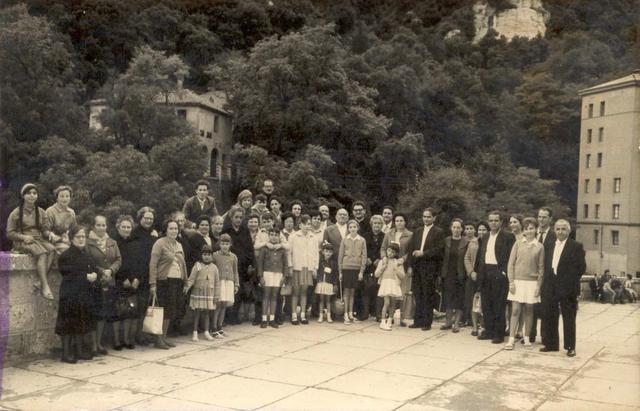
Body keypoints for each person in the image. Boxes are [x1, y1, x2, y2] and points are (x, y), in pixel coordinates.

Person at [540, 219, 586, 357]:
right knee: (549, 315)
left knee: (569, 317)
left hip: (567, 287)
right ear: (555, 230)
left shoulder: (576, 246)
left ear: (568, 231)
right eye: (558, 229)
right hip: (550, 285)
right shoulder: (549, 244)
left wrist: (568, 282)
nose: (560, 232)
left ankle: (570, 346)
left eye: (563, 229)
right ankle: (551, 344)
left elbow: (581, 268)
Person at [55, 224, 98, 363]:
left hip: (83, 294)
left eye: (83, 236)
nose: (81, 239)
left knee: (81, 322)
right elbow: (67, 273)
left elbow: (93, 267)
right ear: (71, 238)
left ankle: (79, 351)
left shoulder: (85, 253)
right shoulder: (66, 255)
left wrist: (95, 274)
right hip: (70, 294)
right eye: (78, 237)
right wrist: (85, 276)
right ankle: (66, 354)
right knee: (67, 324)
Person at [7, 183, 56, 300]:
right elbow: (9, 233)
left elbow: (45, 230)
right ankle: (45, 286)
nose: (32, 196)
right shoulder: (16, 213)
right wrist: (23, 237)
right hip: (23, 241)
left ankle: (40, 281)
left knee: (53, 250)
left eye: (34, 193)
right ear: (23, 196)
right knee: (42, 254)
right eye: (29, 193)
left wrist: (50, 234)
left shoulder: (41, 212)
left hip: (38, 239)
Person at [476, 211, 516, 344]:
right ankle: (489, 331)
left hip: (499, 273)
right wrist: (479, 272)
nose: (493, 223)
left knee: (499, 305)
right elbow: (481, 255)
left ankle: (499, 334)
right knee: (487, 304)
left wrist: (504, 272)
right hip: (486, 272)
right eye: (491, 220)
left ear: (501, 222)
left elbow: (512, 256)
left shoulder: (508, 236)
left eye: (496, 220)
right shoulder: (485, 236)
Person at [505, 217, 544, 350]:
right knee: (515, 310)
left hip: (532, 283)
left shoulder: (539, 247)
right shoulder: (517, 244)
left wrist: (538, 286)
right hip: (517, 281)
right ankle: (511, 339)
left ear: (536, 229)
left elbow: (541, 268)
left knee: (529, 310)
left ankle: (527, 337)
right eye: (526, 228)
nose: (529, 231)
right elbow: (510, 264)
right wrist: (511, 282)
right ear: (524, 230)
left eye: (531, 228)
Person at [149, 219, 188, 349]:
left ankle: (164, 337)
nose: (174, 231)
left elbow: (183, 265)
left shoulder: (179, 245)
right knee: (162, 310)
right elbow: (153, 264)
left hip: (176, 281)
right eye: (171, 228)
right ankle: (158, 339)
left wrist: (186, 281)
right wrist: (153, 283)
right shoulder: (159, 243)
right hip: (164, 281)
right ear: (166, 230)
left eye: (176, 228)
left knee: (170, 311)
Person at [86, 215, 122, 356]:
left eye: (104, 225)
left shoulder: (112, 242)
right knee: (94, 314)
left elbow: (118, 259)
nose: (101, 228)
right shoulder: (88, 243)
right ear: (93, 227)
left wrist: (111, 270)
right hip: (95, 282)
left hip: (109, 281)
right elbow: (89, 261)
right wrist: (102, 271)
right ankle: (92, 345)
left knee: (103, 314)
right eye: (98, 225)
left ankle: (99, 343)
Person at [407, 208, 444, 331]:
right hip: (417, 266)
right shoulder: (417, 231)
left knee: (428, 294)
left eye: (428, 217)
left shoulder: (438, 232)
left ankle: (427, 322)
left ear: (434, 218)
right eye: (424, 216)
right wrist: (410, 266)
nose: (426, 219)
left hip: (430, 267)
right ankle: (418, 320)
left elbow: (439, 250)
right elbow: (411, 249)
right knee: (418, 294)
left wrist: (423, 253)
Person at [129, 206, 158, 345]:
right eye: (146, 218)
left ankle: (145, 333)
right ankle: (137, 336)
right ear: (140, 218)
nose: (148, 220)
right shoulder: (134, 234)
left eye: (151, 219)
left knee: (147, 306)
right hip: (138, 275)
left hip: (150, 274)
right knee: (139, 307)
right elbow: (134, 257)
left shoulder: (152, 234)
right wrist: (136, 277)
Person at [222, 206, 256, 324]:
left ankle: (234, 316)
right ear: (231, 217)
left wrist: (251, 264)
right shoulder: (226, 230)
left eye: (241, 217)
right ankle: (226, 317)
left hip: (242, 266)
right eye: (236, 217)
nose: (238, 219)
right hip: (228, 265)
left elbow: (250, 249)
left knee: (239, 291)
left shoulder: (245, 231)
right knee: (227, 290)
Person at [380, 213, 413, 326]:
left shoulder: (410, 235)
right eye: (397, 220)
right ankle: (390, 317)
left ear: (405, 222)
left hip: (401, 265)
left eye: (401, 220)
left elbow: (410, 252)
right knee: (390, 292)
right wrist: (384, 257)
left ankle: (403, 317)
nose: (399, 223)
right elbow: (383, 248)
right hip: (389, 264)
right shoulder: (389, 233)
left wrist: (403, 260)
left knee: (402, 291)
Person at [530, 207, 556, 344]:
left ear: (550, 219)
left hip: (548, 278)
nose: (541, 220)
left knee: (546, 308)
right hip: (532, 276)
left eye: (544, 217)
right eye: (539, 217)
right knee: (531, 307)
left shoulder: (554, 235)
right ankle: (530, 335)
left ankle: (546, 337)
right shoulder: (532, 233)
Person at [112, 215, 138, 350]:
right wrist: (123, 279)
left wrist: (136, 278)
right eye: (124, 227)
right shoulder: (113, 242)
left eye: (129, 227)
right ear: (118, 227)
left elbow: (137, 262)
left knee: (130, 311)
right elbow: (115, 261)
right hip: (118, 280)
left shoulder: (134, 242)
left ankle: (127, 339)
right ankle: (117, 341)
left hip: (132, 281)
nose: (126, 229)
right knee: (118, 312)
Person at [184, 244, 220, 341]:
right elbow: (191, 278)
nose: (206, 256)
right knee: (197, 313)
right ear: (201, 255)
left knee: (207, 313)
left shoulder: (214, 268)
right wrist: (187, 287)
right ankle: (195, 332)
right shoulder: (197, 265)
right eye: (204, 254)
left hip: (209, 294)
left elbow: (217, 282)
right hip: (198, 292)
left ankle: (206, 331)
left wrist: (216, 294)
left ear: (211, 255)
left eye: (208, 254)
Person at [288, 215, 318, 325]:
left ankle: (303, 315)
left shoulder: (313, 237)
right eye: (305, 224)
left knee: (304, 292)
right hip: (297, 267)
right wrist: (290, 266)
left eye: (309, 224)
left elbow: (316, 254)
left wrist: (315, 268)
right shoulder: (293, 236)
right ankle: (294, 315)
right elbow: (289, 253)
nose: (307, 226)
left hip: (308, 267)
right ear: (300, 225)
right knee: (296, 292)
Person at [441, 219, 469, 333]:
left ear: (462, 229)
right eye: (454, 227)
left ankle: (456, 323)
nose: (456, 230)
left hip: (461, 274)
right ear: (451, 228)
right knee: (448, 298)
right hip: (447, 273)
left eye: (458, 227)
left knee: (459, 299)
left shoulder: (466, 242)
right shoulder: (446, 241)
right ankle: (448, 322)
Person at [256, 228, 287, 328]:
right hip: (267, 274)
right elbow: (260, 263)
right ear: (269, 236)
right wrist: (260, 276)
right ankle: (264, 319)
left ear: (279, 237)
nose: (274, 237)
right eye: (272, 235)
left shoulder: (282, 249)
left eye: (276, 235)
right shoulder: (264, 248)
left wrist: (284, 276)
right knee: (266, 296)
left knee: (274, 296)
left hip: (278, 274)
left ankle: (272, 319)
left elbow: (285, 264)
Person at [338, 220, 367, 324]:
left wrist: (361, 272)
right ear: (348, 229)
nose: (352, 229)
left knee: (353, 292)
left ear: (357, 228)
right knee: (346, 292)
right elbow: (340, 256)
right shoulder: (345, 240)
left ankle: (351, 313)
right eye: (350, 227)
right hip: (346, 268)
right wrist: (340, 272)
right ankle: (345, 314)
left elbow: (364, 256)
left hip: (356, 269)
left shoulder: (362, 240)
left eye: (354, 227)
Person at [211, 234, 239, 337]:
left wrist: (236, 284)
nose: (224, 246)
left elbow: (235, 271)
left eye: (227, 244)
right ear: (219, 244)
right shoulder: (215, 255)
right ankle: (213, 328)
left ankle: (220, 326)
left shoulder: (233, 257)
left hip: (229, 282)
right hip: (220, 282)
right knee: (218, 305)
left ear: (230, 244)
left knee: (224, 305)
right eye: (222, 243)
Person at [375, 243, 405, 331]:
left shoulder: (398, 262)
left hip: (394, 284)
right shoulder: (383, 261)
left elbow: (402, 276)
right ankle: (382, 321)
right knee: (386, 302)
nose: (390, 253)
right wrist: (382, 268)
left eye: (392, 252)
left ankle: (389, 320)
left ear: (396, 253)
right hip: (385, 283)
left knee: (393, 304)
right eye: (388, 251)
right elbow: (376, 274)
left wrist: (396, 270)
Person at [361, 215, 386, 321]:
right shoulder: (365, 236)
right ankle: (365, 313)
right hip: (367, 265)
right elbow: (361, 249)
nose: (377, 225)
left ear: (382, 225)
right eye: (375, 223)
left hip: (379, 266)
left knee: (378, 289)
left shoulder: (385, 236)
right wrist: (366, 258)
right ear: (371, 224)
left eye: (379, 223)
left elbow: (386, 249)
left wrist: (380, 260)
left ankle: (378, 314)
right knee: (366, 288)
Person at [45, 185, 77, 255]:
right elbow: (45, 230)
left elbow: (74, 230)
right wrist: (52, 235)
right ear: (57, 198)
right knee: (67, 252)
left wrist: (70, 236)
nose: (64, 199)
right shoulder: (50, 211)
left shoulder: (71, 212)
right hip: (53, 242)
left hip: (67, 240)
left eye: (67, 196)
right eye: (62, 196)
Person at [316, 242, 338, 323]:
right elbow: (318, 272)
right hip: (321, 282)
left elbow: (335, 274)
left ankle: (328, 316)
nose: (328, 253)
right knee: (321, 300)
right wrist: (318, 279)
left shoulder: (333, 263)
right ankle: (321, 316)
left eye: (330, 252)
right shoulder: (320, 262)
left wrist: (335, 284)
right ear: (323, 252)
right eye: (326, 251)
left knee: (328, 300)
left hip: (329, 283)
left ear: (332, 253)